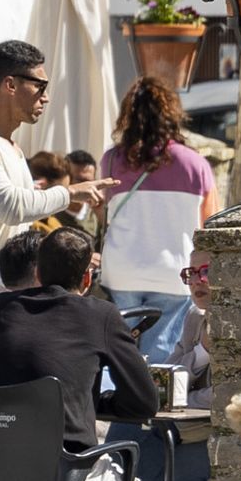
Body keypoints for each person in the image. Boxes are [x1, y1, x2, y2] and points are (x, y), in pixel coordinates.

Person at [0, 223, 160, 473]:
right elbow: (145, 402)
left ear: (37, 273)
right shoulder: (101, 315)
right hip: (66, 471)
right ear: (86, 278)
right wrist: (92, 401)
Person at [0, 42, 106, 278]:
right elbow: (11, 207)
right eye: (40, 86)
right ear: (11, 85)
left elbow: (20, 220)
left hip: (3, 292)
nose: (45, 98)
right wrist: (71, 192)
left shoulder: (13, 148)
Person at [98, 77, 217, 363]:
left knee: (120, 358)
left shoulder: (112, 160)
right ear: (172, 115)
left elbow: (104, 213)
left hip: (121, 269)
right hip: (172, 271)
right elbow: (211, 225)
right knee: (161, 360)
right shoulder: (196, 164)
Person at [132, 241, 213, 481]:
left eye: (205, 272)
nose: (197, 282)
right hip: (183, 432)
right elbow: (169, 371)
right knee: (129, 447)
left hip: (221, 442)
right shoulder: (195, 318)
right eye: (190, 274)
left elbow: (228, 396)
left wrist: (181, 396)